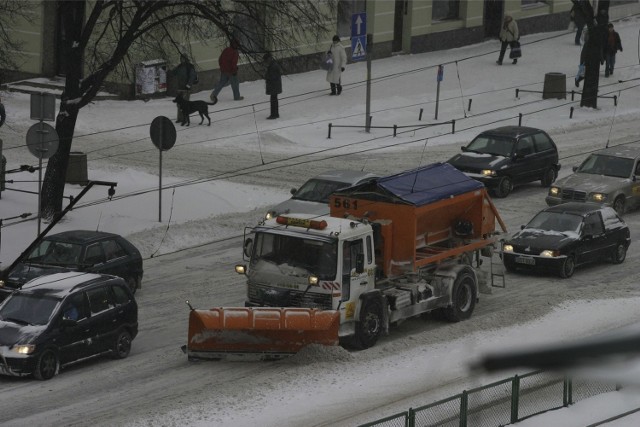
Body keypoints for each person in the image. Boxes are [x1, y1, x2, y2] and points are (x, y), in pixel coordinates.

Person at [171, 54, 198, 123]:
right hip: (180, 88)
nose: (181, 60)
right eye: (181, 59)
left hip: (186, 88)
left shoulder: (189, 66)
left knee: (185, 105)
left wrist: (188, 85)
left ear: (186, 59)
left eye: (183, 59)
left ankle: (184, 119)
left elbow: (192, 76)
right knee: (179, 104)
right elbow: (174, 73)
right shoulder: (179, 66)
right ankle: (180, 118)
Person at [263, 52, 282, 120]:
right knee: (274, 100)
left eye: (266, 60)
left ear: (269, 58)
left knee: (273, 100)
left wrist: (266, 75)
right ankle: (275, 114)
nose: (265, 62)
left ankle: (274, 115)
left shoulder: (273, 66)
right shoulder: (273, 64)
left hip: (274, 86)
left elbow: (272, 76)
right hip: (275, 86)